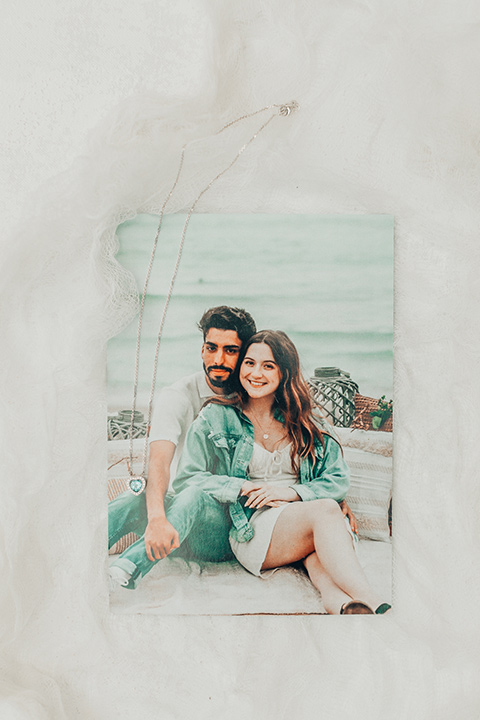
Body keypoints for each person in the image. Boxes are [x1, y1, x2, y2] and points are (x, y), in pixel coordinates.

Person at [173, 330, 391, 614]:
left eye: (268, 365)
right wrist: (240, 488)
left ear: (285, 372)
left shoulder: (308, 420)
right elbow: (187, 477)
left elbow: (337, 479)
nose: (256, 373)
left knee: (319, 561)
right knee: (326, 510)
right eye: (249, 363)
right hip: (256, 525)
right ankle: (378, 603)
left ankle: (346, 607)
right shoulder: (218, 416)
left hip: (304, 525)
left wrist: (289, 493)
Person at [108, 305, 257, 589]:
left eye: (230, 351)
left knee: (195, 494)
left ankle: (128, 566)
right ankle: (70, 555)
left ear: (244, 354)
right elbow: (159, 464)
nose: (218, 359)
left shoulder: (255, 397)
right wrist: (156, 520)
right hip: (175, 525)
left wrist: (336, 500)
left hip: (222, 531)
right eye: (211, 348)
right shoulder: (177, 395)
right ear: (202, 349)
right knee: (133, 499)